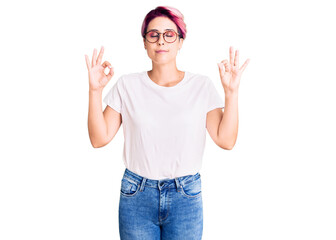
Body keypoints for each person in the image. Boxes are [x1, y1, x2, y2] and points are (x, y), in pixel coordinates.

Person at [86, 5, 250, 240]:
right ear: (144, 42)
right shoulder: (127, 85)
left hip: (185, 197)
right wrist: (95, 91)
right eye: (153, 35)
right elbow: (98, 138)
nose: (161, 41)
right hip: (137, 196)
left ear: (180, 41)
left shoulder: (201, 86)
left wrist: (231, 93)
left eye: (169, 34)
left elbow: (226, 140)